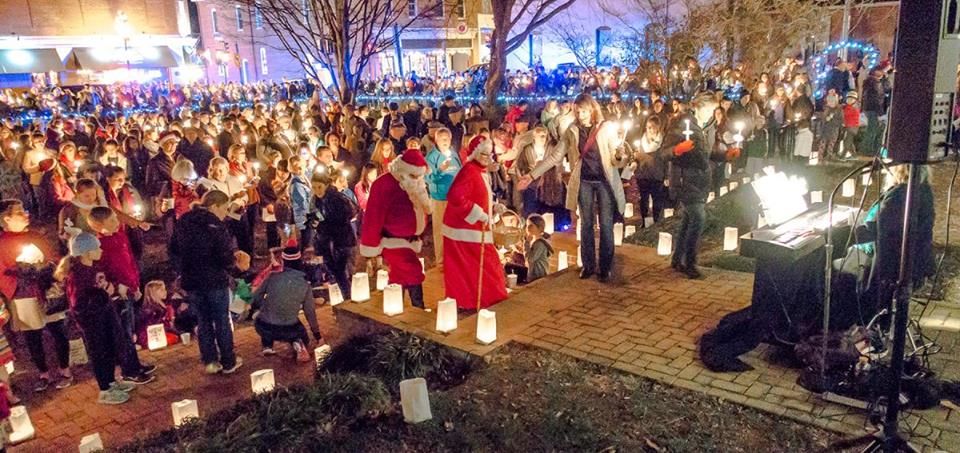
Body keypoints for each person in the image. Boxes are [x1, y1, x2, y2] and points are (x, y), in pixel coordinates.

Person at [519, 94, 629, 282]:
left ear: (592, 109)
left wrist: (620, 155)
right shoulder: (572, 130)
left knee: (606, 224)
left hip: (604, 181)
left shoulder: (605, 128)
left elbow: (615, 160)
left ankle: (605, 266)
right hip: (584, 180)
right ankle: (588, 265)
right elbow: (555, 156)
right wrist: (531, 175)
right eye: (578, 111)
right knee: (585, 223)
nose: (581, 114)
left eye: (584, 111)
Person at [658, 93, 738, 279]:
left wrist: (725, 156)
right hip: (685, 179)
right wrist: (677, 150)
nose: (712, 114)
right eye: (710, 109)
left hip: (701, 180)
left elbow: (706, 154)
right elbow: (663, 153)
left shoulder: (707, 127)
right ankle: (689, 262)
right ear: (699, 107)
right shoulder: (681, 125)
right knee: (698, 218)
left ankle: (678, 259)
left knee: (688, 219)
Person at [170, 190, 248, 375]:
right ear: (215, 206)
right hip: (214, 279)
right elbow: (224, 254)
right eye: (224, 208)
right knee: (221, 319)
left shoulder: (183, 221)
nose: (225, 213)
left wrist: (181, 270)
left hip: (192, 280)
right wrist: (233, 265)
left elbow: (173, 249)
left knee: (203, 320)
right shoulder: (215, 225)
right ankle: (228, 361)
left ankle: (210, 361)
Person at [0, 199, 72, 392]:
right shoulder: (2, 243)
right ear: (6, 219)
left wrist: (47, 269)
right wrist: (21, 275)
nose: (26, 214)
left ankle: (64, 369)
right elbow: (2, 272)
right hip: (23, 295)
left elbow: (52, 259)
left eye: (24, 209)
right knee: (33, 336)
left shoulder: (35, 236)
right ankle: (43, 373)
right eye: (19, 212)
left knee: (57, 330)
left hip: (46, 291)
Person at [442, 136, 508, 310]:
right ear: (476, 154)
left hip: (473, 228)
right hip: (464, 230)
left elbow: (478, 196)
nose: (488, 158)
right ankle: (481, 299)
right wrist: (479, 213)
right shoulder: (469, 171)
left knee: (473, 268)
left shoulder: (480, 171)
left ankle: (475, 299)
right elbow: (455, 196)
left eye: (489, 154)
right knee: (476, 266)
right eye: (484, 154)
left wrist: (493, 208)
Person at [359, 150, 431, 309]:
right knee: (412, 271)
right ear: (403, 171)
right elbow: (373, 216)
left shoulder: (415, 183)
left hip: (410, 240)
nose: (418, 180)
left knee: (400, 276)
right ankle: (418, 309)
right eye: (414, 176)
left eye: (419, 176)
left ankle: (394, 307)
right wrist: (371, 245)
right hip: (393, 241)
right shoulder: (384, 184)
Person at [251, 243, 321, 362]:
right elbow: (309, 312)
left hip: (263, 326)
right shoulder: (305, 284)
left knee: (264, 315)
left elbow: (255, 296)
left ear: (283, 261)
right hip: (288, 329)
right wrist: (317, 335)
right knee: (299, 331)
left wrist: (265, 306)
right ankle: (297, 342)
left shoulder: (272, 277)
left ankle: (267, 345)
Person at [308, 171, 358, 299]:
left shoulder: (337, 198)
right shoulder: (318, 200)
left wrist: (323, 224)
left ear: (326, 185)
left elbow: (346, 216)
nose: (316, 190)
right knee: (335, 271)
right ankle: (346, 295)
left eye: (319, 187)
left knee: (340, 271)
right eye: (314, 187)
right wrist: (314, 220)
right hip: (327, 240)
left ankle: (348, 297)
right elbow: (320, 216)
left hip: (341, 240)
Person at [425, 129, 463, 264]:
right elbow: (427, 178)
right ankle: (441, 260)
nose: (445, 142)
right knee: (440, 230)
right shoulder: (432, 157)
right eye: (441, 139)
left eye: (447, 139)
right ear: (436, 140)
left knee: (455, 228)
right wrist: (440, 170)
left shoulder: (454, 154)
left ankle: (454, 258)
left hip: (455, 198)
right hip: (440, 198)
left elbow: (460, 171)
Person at [634, 116, 667, 224]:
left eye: (653, 127)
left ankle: (656, 222)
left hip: (656, 175)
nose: (650, 130)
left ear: (658, 127)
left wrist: (667, 175)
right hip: (643, 175)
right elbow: (635, 157)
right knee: (644, 199)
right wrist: (635, 159)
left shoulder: (662, 142)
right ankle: (645, 222)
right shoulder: (641, 141)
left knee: (657, 200)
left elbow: (666, 159)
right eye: (648, 127)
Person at [524, 214, 553, 282]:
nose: (528, 228)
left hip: (538, 275)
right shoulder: (535, 241)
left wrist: (526, 244)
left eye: (531, 225)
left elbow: (530, 259)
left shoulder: (540, 244)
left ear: (539, 228)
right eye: (527, 225)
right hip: (535, 274)